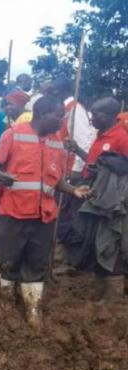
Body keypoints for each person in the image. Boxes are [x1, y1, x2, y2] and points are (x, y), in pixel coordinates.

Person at [0, 96, 90, 329]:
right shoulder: (12, 135)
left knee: (37, 263)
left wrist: (73, 190)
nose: (62, 120)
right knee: (9, 260)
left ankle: (33, 309)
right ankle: (6, 304)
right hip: (13, 213)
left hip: (43, 216)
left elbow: (57, 180)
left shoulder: (57, 142)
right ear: (43, 114)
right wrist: (1, 176)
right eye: (59, 116)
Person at [64, 97, 128, 301]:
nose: (92, 118)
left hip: (113, 205)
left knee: (110, 242)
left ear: (109, 115)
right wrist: (77, 150)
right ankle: (101, 292)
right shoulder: (101, 136)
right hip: (95, 200)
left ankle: (114, 297)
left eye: (96, 114)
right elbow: (95, 165)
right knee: (95, 242)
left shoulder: (121, 138)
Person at [48, 77, 96, 177]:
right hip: (60, 166)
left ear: (57, 91)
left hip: (71, 169)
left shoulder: (75, 109)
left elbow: (83, 142)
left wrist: (76, 170)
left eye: (50, 91)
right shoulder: (64, 108)